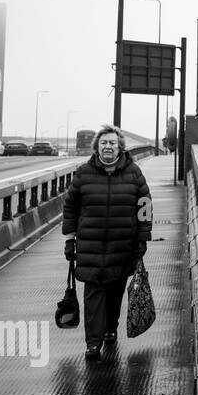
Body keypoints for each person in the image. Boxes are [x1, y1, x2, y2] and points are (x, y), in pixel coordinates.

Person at [62, 125, 153, 360]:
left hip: (122, 246)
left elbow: (145, 206)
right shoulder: (83, 173)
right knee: (93, 295)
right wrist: (70, 240)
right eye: (104, 143)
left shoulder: (134, 173)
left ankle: (111, 328)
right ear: (97, 147)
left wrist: (143, 238)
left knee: (115, 293)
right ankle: (93, 342)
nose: (108, 147)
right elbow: (70, 207)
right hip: (90, 247)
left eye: (112, 143)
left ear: (120, 147)